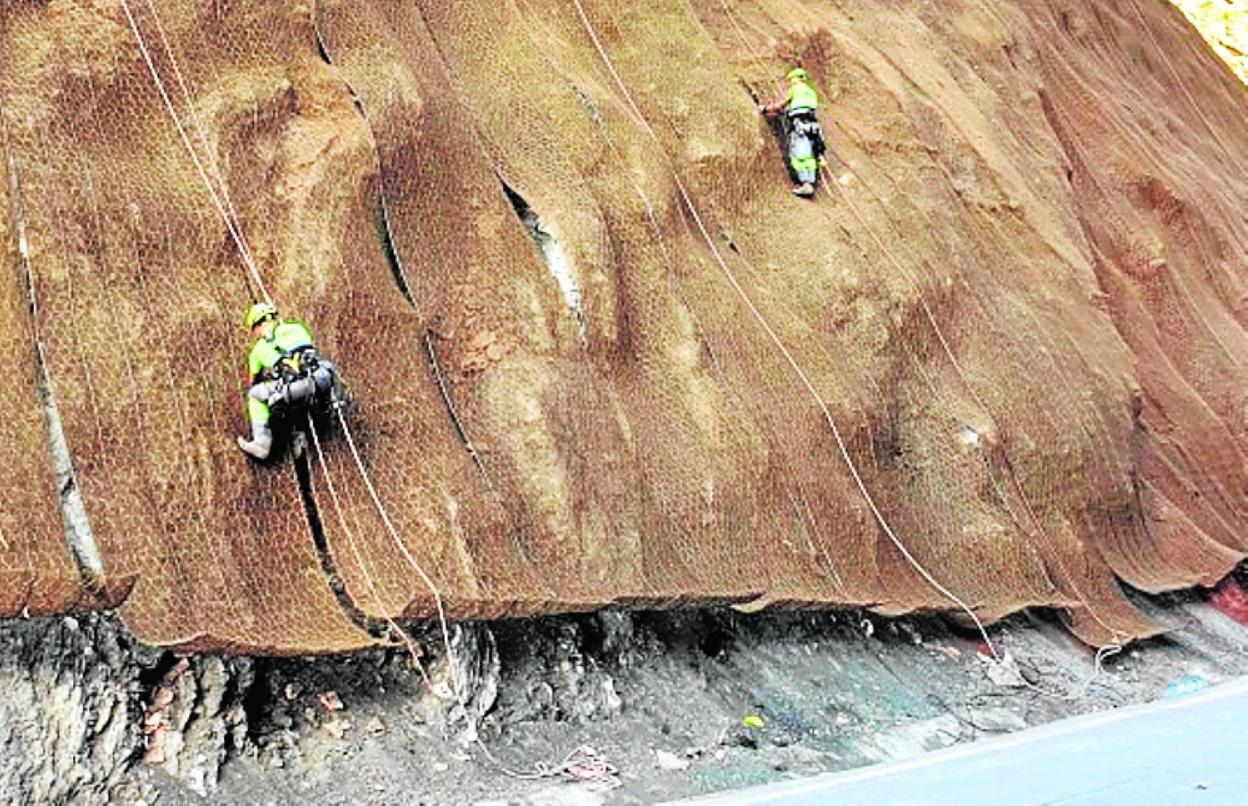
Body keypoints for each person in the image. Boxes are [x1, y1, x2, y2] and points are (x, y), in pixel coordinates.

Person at [237, 302, 339, 460]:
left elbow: (253, 382)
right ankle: (329, 404)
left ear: (257, 325)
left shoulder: (258, 350)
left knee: (254, 395)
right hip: (321, 379)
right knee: (325, 367)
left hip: (292, 391)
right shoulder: (297, 327)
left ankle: (262, 443)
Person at [760, 67, 829, 198]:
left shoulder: (795, 90)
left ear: (795, 79)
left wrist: (765, 109)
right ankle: (810, 182)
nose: (791, 82)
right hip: (812, 127)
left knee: (799, 154)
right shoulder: (810, 92)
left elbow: (781, 105)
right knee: (809, 155)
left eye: (791, 80)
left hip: (799, 127)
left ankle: (806, 184)